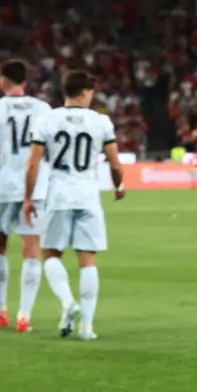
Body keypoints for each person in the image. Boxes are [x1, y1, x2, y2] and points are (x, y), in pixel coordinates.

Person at [23, 70, 125, 340]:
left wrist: (28, 197)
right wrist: (118, 186)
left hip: (58, 194)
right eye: (90, 92)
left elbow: (33, 163)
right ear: (82, 92)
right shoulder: (101, 121)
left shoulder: (47, 119)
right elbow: (115, 163)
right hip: (88, 194)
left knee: (51, 254)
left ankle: (68, 302)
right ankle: (87, 327)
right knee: (88, 259)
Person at [0, 59, 51, 332]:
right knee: (31, 251)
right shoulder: (43, 109)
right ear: (25, 82)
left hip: (2, 188)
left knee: (1, 248)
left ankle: (1, 311)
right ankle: (24, 316)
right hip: (35, 188)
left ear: (3, 80)